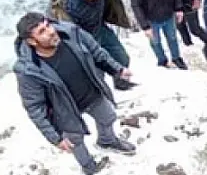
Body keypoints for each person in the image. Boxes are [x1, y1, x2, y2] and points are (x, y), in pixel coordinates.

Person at [14, 13, 136, 175]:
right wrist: (55, 138)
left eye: (48, 25)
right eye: (42, 31)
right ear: (31, 41)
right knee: (75, 142)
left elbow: (97, 52)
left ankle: (107, 141)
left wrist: (117, 69)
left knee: (108, 117)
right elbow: (35, 107)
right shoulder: (28, 70)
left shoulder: (71, 33)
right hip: (64, 111)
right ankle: (88, 166)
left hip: (91, 93)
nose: (51, 31)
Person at [51, 0, 135, 90]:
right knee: (97, 70)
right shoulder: (70, 8)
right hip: (83, 36)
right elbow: (70, 31)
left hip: (99, 27)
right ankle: (102, 96)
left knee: (122, 57)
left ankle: (120, 82)